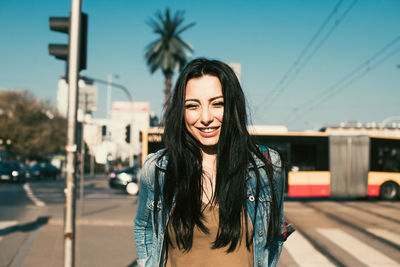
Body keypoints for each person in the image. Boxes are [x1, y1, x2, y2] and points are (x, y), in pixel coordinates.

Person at [134, 58, 286, 267]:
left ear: (233, 106)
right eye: (192, 106)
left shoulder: (266, 166)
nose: (205, 117)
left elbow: (274, 235)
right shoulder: (159, 168)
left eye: (217, 104)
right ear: (181, 111)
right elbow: (144, 227)